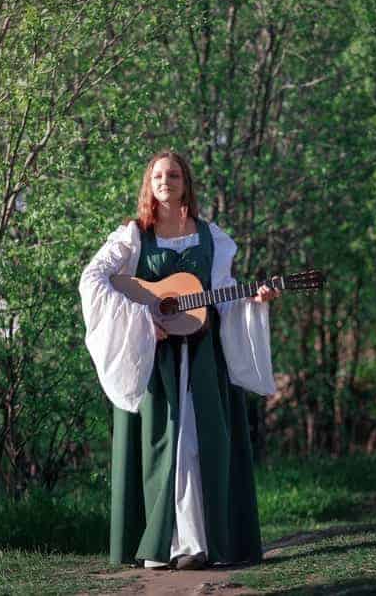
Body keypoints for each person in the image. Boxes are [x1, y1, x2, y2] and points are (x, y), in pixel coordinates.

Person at [79, 151, 279, 570]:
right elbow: (93, 280)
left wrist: (253, 300)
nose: (165, 181)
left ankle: (198, 544)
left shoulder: (211, 237)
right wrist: (141, 318)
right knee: (165, 445)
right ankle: (164, 545)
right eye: (158, 175)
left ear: (186, 182)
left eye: (173, 174)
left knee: (198, 444)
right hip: (155, 360)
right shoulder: (133, 236)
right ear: (149, 185)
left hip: (205, 358)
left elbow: (221, 292)